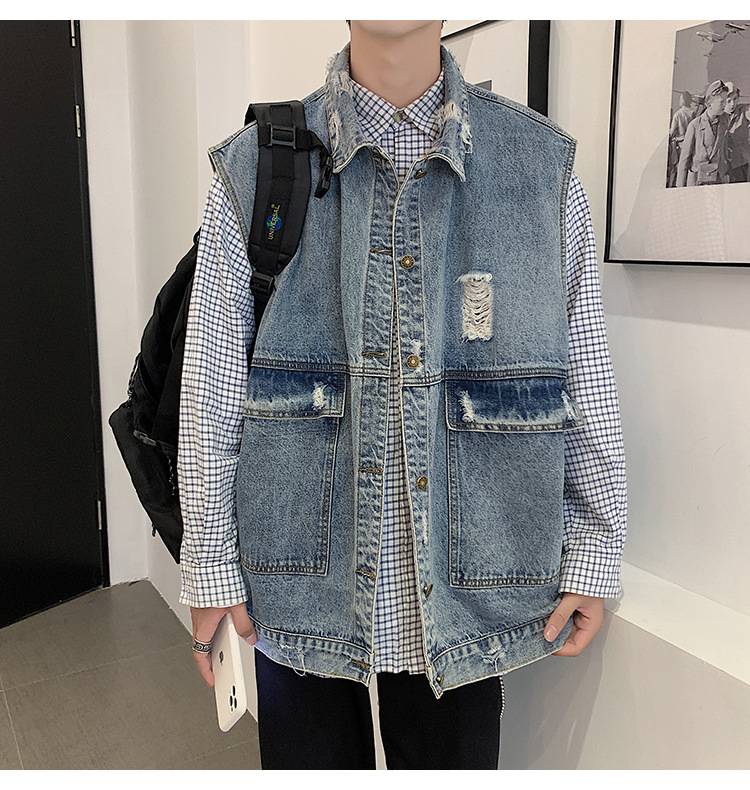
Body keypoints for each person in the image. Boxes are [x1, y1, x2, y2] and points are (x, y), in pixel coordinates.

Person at [178, 20, 627, 769]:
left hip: (469, 592)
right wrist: (211, 566)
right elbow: (212, 394)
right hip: (296, 587)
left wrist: (594, 548)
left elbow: (586, 375)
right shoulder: (258, 170)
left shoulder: (538, 170)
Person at [676, 79, 730, 187]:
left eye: (725, 101)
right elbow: (684, 161)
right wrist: (680, 189)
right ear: (709, 103)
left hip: (718, 181)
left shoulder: (725, 122)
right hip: (698, 182)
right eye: (722, 102)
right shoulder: (695, 126)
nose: (725, 105)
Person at [667, 90, 696, 187]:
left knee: (676, 169)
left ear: (683, 100)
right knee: (688, 169)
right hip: (691, 144)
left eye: (680, 98)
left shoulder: (678, 114)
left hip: (680, 146)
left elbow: (672, 132)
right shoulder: (693, 113)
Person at [724, 81, 750, 183]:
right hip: (724, 164)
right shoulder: (719, 115)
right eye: (729, 101)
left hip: (741, 162)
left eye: (735, 99)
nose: (732, 104)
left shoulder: (743, 111)